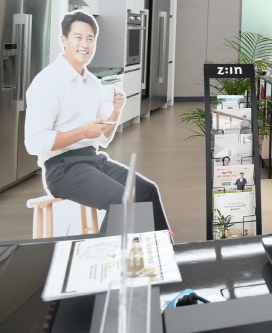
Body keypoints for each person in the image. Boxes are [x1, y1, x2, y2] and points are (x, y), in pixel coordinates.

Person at [24, 12, 170, 232]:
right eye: (78, 37)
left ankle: (162, 250)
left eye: (90, 39)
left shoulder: (92, 82)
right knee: (122, 201)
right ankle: (105, 255)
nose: (85, 44)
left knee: (147, 191)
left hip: (93, 160)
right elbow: (34, 143)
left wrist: (116, 111)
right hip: (61, 168)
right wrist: (83, 132)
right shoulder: (48, 81)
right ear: (63, 40)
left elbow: (103, 139)